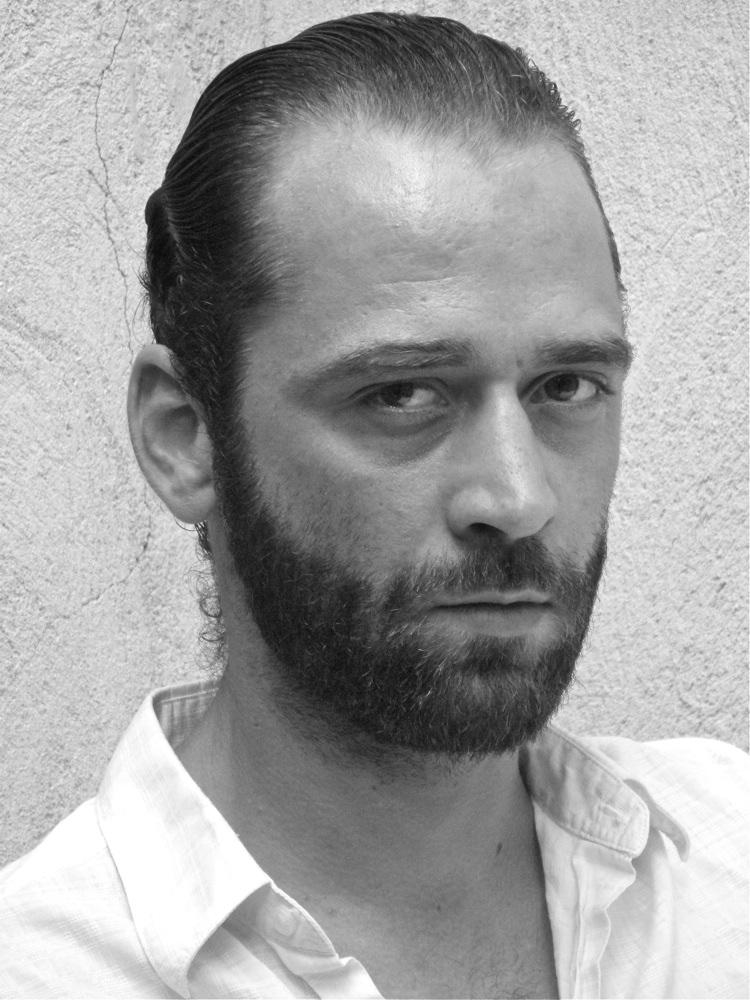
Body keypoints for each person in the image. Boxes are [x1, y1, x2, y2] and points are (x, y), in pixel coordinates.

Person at [0, 11, 747, 999]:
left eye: (566, 386)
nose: (518, 498)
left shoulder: (725, 858)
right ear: (186, 438)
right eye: (401, 394)